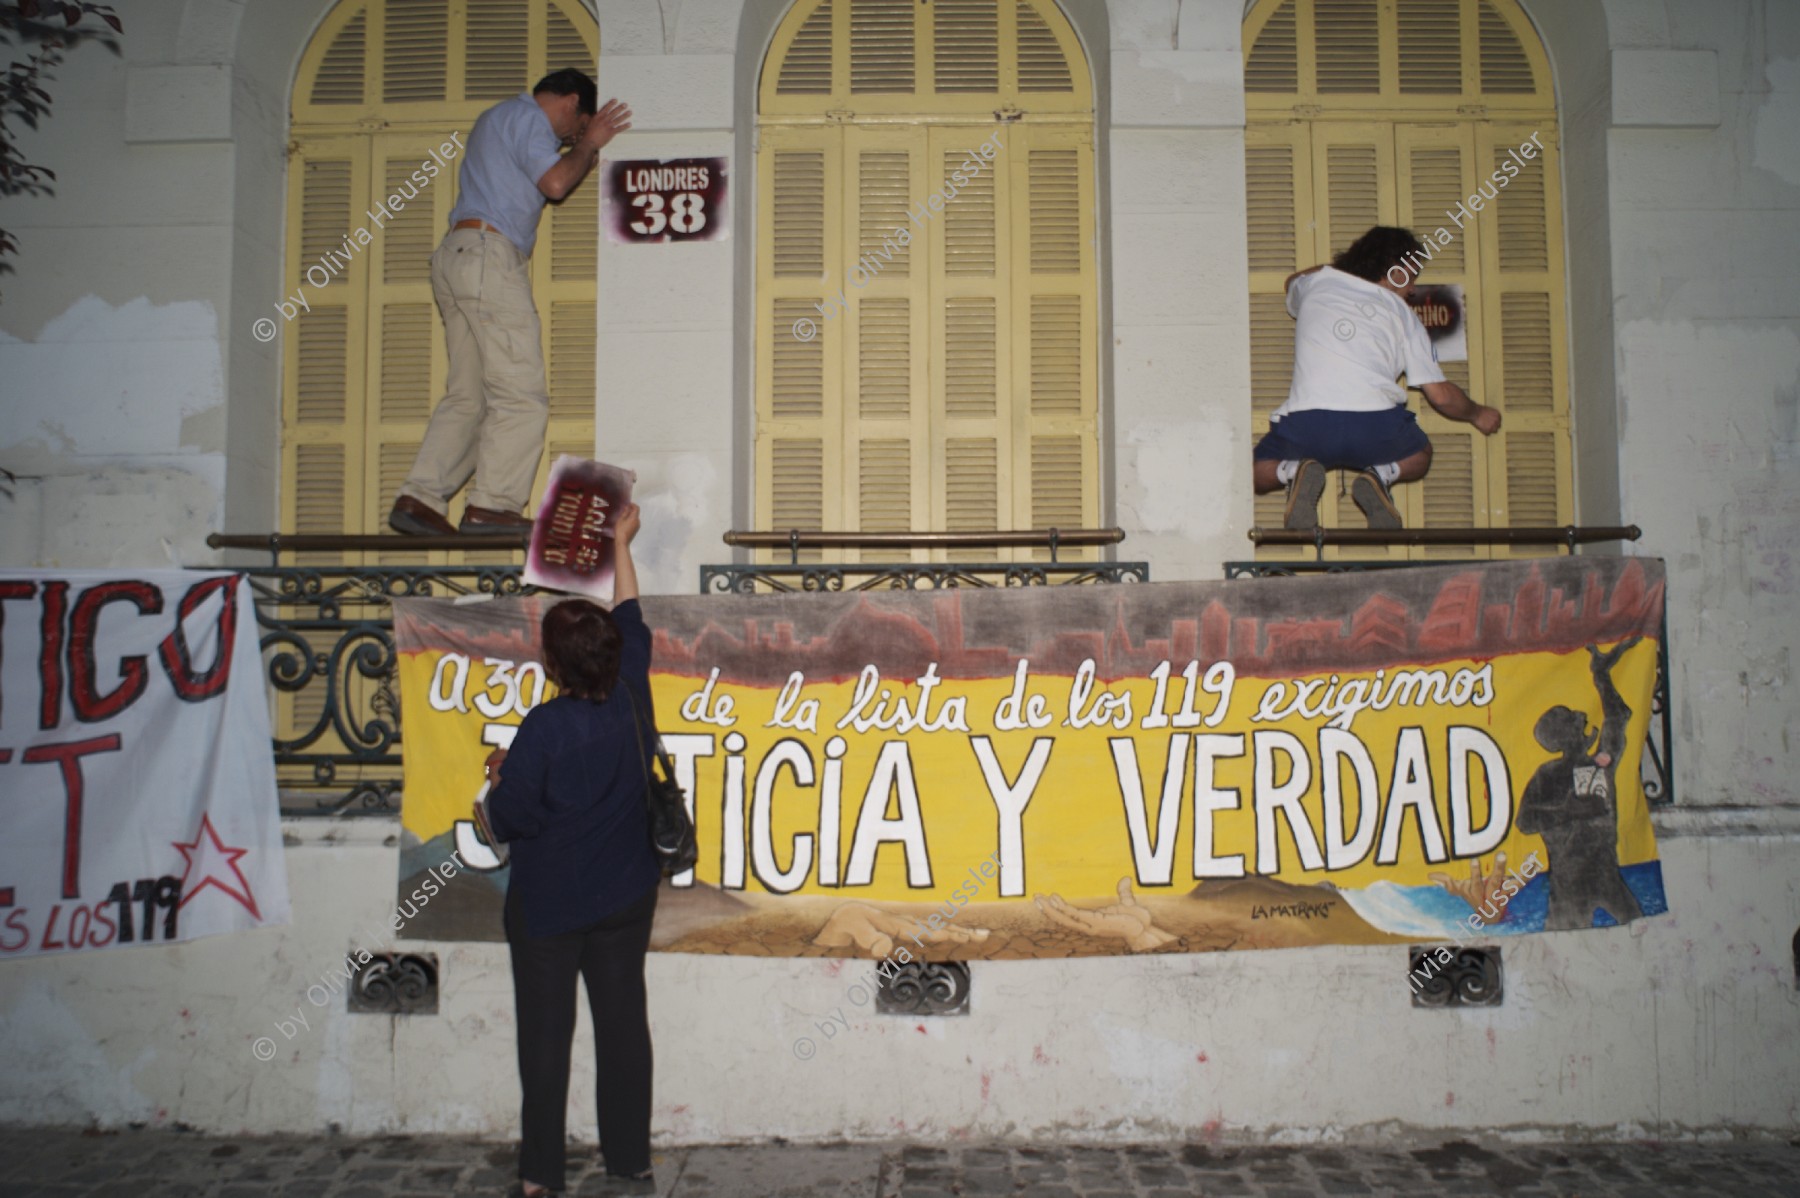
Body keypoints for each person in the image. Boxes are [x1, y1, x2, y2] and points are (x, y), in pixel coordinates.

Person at [481, 502, 661, 1197]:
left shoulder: (543, 729)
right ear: (612, 653)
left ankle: (541, 1176)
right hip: (625, 897)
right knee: (624, 1030)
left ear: (550, 662)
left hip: (550, 910)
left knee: (546, 1043)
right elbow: (631, 610)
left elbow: (508, 820)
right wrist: (618, 541)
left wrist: (500, 777)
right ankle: (630, 1159)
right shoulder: (633, 692)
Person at [389, 71, 631, 536]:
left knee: (468, 395)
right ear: (571, 103)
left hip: (459, 255)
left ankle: (419, 497)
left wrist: (582, 145)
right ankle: (493, 505)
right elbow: (556, 183)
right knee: (521, 394)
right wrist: (590, 144)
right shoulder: (526, 118)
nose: (573, 136)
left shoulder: (497, 118)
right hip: (487, 257)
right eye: (578, 125)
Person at [1252, 225, 1502, 531]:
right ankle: (1380, 476)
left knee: (1255, 470)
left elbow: (1291, 281)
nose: (1411, 290)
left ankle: (1292, 472)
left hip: (1308, 423)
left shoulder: (1317, 284)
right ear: (1392, 270)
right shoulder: (1404, 315)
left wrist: (1337, 270)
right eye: (1410, 276)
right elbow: (1440, 395)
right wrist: (1478, 413)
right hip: (1376, 426)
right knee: (1421, 453)